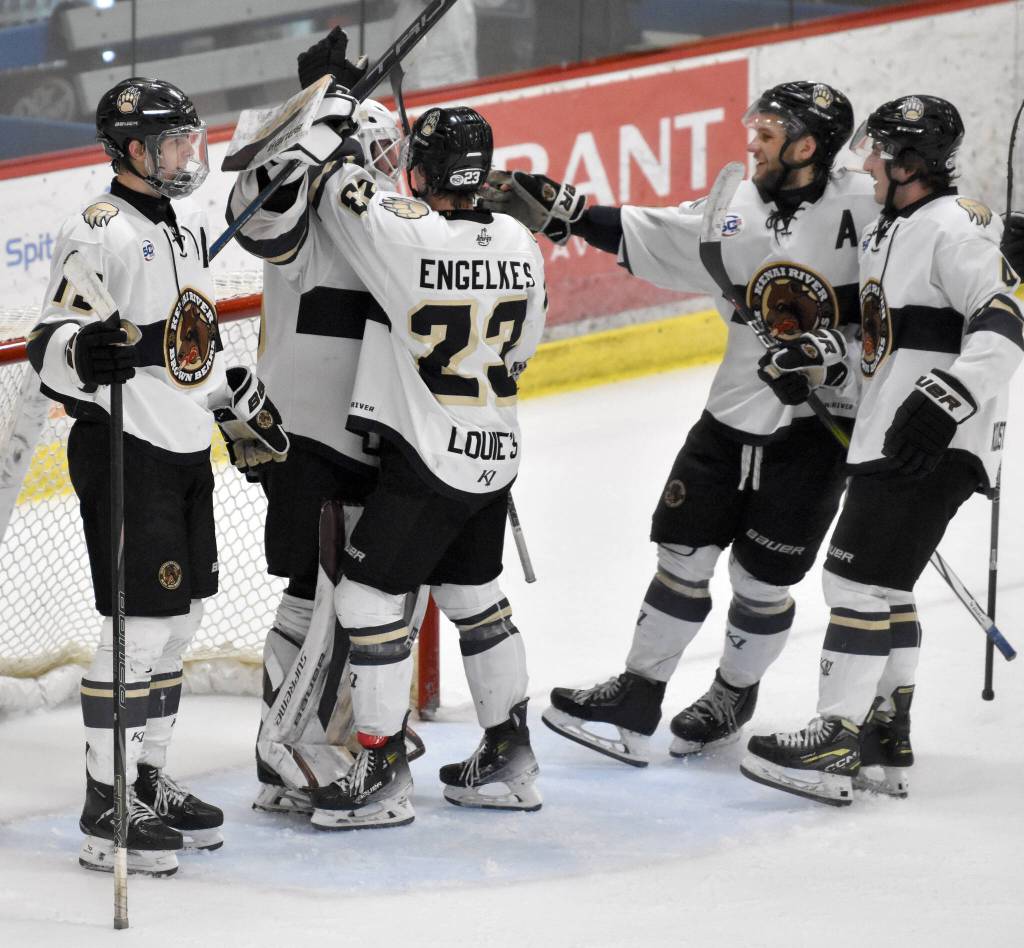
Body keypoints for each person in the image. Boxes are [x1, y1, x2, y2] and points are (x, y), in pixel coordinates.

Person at [482, 82, 877, 766]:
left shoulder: (866, 205)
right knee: (682, 556)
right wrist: (568, 214)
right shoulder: (734, 205)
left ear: (808, 146)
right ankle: (639, 691)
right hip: (729, 416)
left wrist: (835, 361)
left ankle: (732, 693)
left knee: (761, 580)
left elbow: (912, 281)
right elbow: (654, 230)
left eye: (769, 132)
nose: (752, 141)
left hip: (818, 428)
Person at [229, 80, 548, 828]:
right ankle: (507, 753)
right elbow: (524, 348)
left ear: (417, 173)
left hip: (417, 453)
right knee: (470, 597)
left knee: (365, 601)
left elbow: (351, 197)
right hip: (486, 446)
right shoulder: (517, 241)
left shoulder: (401, 230)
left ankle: (375, 766)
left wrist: (326, 124)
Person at [27, 77, 289, 875]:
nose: (187, 152)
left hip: (182, 448)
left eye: (188, 138)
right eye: (172, 141)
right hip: (123, 448)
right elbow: (49, 347)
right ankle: (106, 800)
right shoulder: (97, 229)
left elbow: (189, 347)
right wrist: (83, 350)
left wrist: (236, 406)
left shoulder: (180, 230)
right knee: (137, 626)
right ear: (133, 151)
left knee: (179, 621)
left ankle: (146, 775)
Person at [741, 95, 1023, 806]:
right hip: (892, 430)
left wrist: (949, 399)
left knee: (853, 585)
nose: (864, 162)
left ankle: (834, 735)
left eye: (878, 153)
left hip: (932, 439)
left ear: (907, 163)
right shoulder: (889, 232)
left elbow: (1003, 320)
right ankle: (882, 737)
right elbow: (886, 341)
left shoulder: (953, 228)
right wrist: (817, 351)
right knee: (886, 587)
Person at [233, 29, 424, 815]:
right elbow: (255, 201)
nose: (383, 171)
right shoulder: (305, 219)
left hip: (336, 431)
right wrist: (322, 104)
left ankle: (308, 738)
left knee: (325, 593)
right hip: (314, 435)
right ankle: (296, 746)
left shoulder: (372, 223)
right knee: (327, 595)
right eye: (370, 156)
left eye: (385, 157)